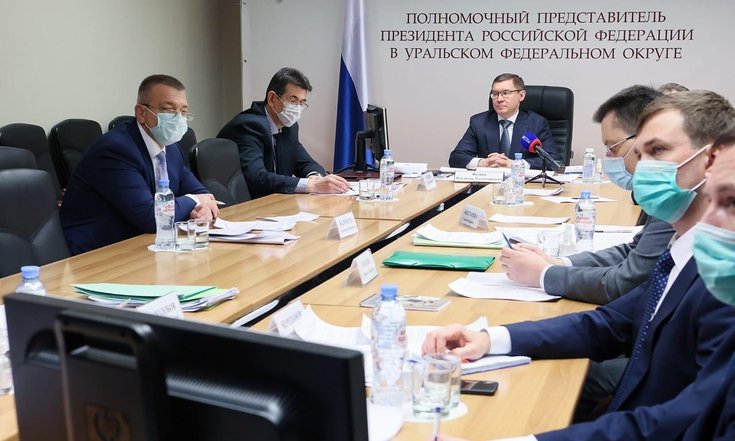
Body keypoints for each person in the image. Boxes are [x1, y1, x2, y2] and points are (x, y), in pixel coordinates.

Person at [424, 90, 735, 440]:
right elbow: (609, 324)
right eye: (641, 153)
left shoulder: (722, 277)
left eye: (658, 151)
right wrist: (488, 338)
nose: (642, 167)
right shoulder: (683, 250)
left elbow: (692, 417)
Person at [500, 85, 674, 305]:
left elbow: (624, 282)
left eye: (613, 148)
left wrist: (543, 274)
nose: (609, 157)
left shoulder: (675, 196)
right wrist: (559, 263)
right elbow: (633, 251)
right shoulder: (664, 192)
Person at [60, 74, 218, 255]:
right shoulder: (116, 149)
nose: (178, 119)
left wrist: (201, 210)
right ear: (141, 113)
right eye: (169, 110)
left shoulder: (172, 149)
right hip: (97, 253)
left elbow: (201, 193)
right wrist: (195, 201)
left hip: (144, 244)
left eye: (183, 112)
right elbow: (150, 217)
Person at [218, 67, 350, 199]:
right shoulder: (249, 125)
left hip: (275, 202)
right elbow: (257, 177)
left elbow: (305, 163)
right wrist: (311, 186)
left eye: (301, 103)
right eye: (293, 101)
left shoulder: (289, 127)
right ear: (272, 99)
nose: (297, 108)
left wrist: (315, 178)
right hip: (247, 205)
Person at [448, 73, 559, 170]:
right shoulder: (479, 122)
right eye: (495, 94)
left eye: (505, 93)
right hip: (487, 184)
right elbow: (456, 158)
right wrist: (483, 163)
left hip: (522, 183)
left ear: (521, 95)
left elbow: (553, 160)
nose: (499, 99)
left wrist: (516, 164)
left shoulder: (537, 123)